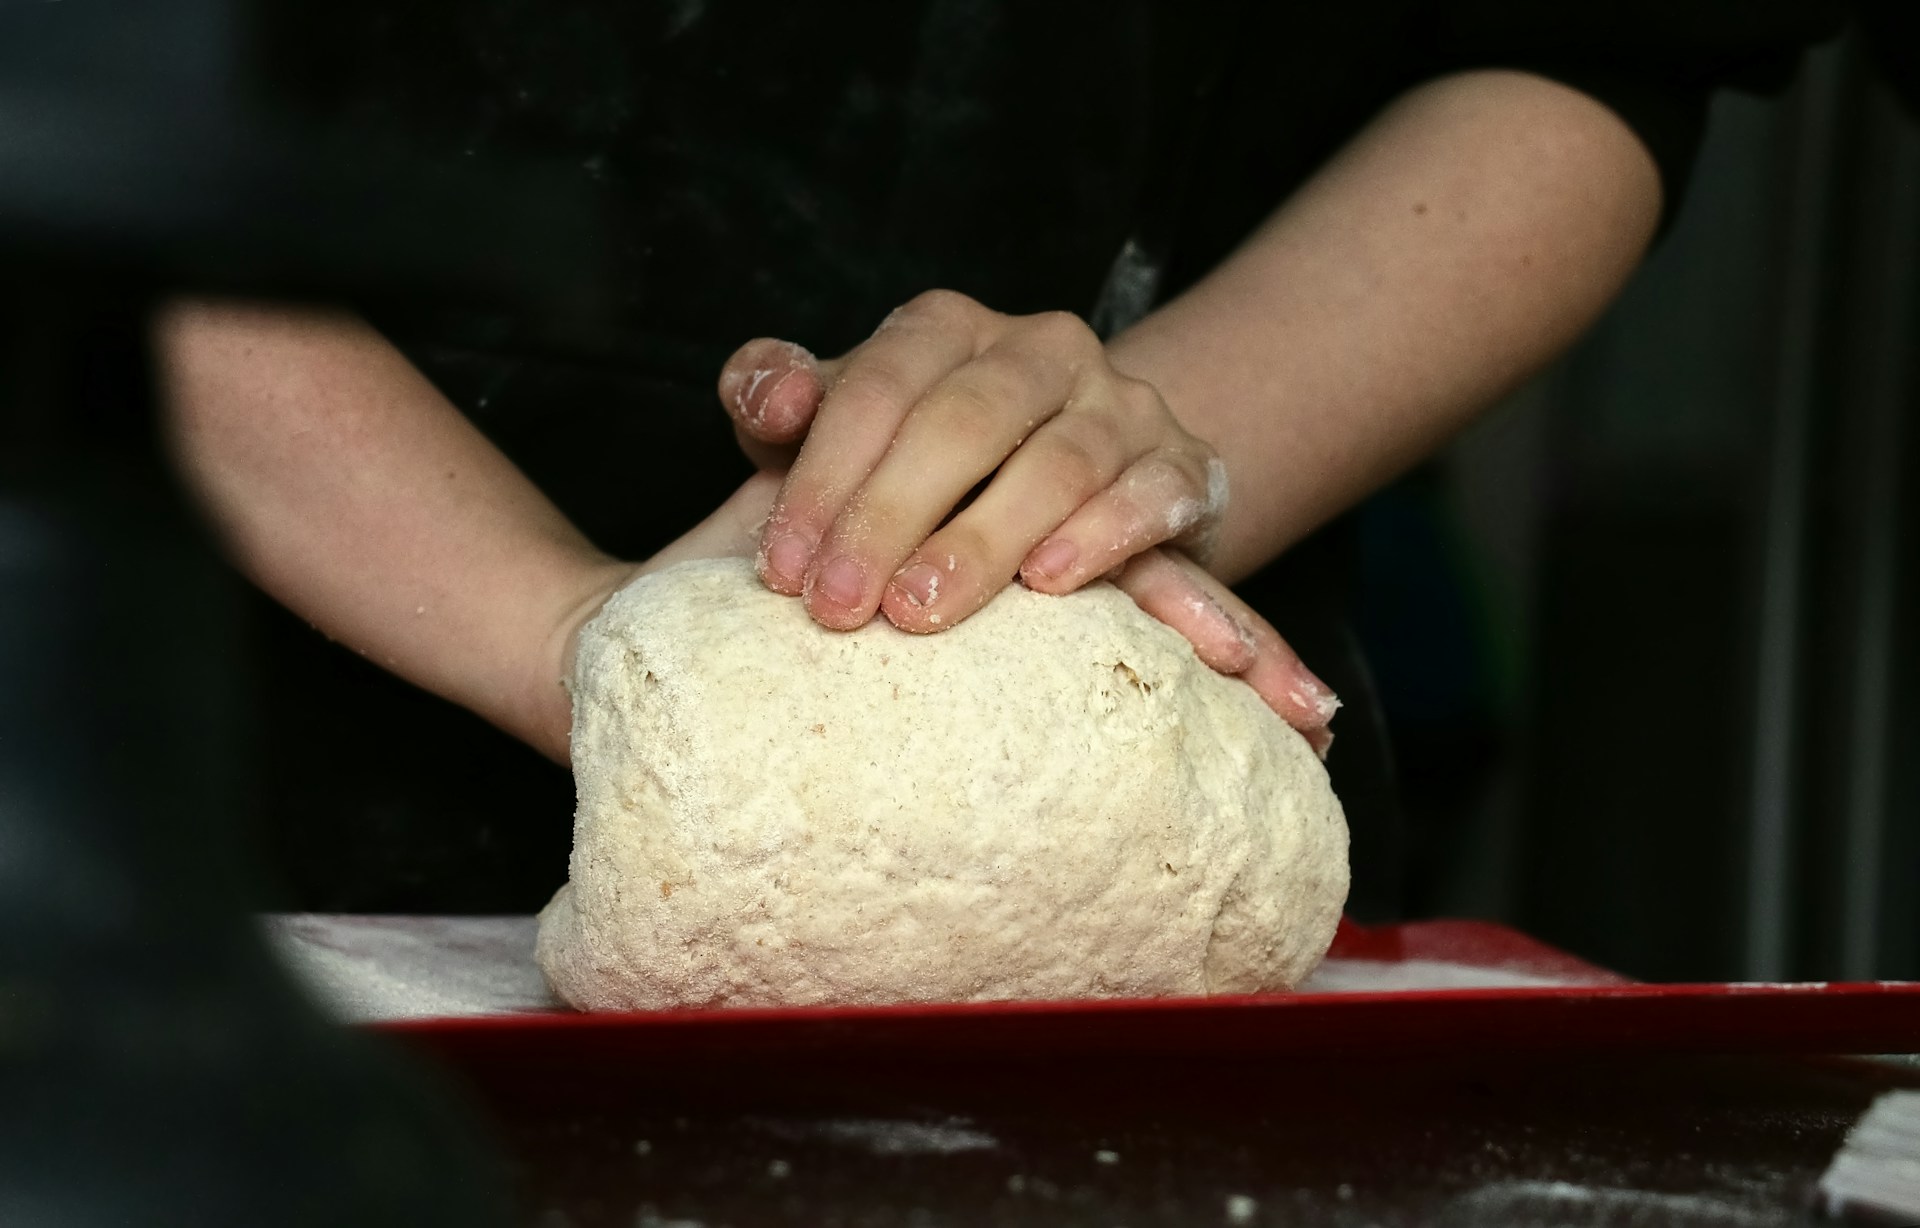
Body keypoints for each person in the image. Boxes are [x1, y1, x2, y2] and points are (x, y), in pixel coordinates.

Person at [155, 1, 1841, 914]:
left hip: (1134, 672)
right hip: (219, 695)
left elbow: (1593, 46)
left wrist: (1099, 460)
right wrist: (548, 624)